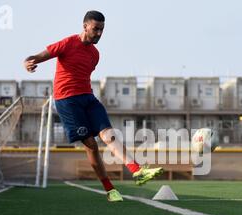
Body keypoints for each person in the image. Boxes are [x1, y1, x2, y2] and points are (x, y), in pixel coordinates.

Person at [24, 10, 163, 202]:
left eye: (102, 30)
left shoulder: (95, 54)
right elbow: (38, 56)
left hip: (88, 98)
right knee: (91, 145)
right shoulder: (67, 43)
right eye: (95, 29)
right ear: (85, 26)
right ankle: (110, 190)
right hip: (67, 101)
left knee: (109, 134)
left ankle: (137, 171)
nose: (99, 33)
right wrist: (28, 62)